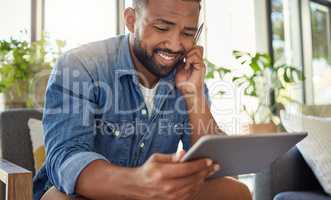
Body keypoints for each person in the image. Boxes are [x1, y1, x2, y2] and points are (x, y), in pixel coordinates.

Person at [33, 0, 252, 199]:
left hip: (156, 195)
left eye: (188, 33)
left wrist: (194, 95)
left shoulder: (187, 76)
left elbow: (218, 169)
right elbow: (66, 158)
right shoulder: (81, 65)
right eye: (162, 28)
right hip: (83, 194)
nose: (175, 45)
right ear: (131, 19)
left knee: (236, 192)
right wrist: (137, 183)